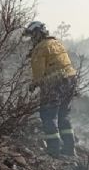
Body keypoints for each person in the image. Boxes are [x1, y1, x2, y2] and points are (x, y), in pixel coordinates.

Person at [24, 21, 77, 156]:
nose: (31, 40)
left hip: (54, 84)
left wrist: (32, 85)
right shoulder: (56, 43)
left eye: (32, 36)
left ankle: (54, 150)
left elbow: (38, 75)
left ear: (37, 33)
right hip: (70, 80)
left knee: (48, 115)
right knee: (63, 115)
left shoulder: (40, 49)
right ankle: (69, 149)